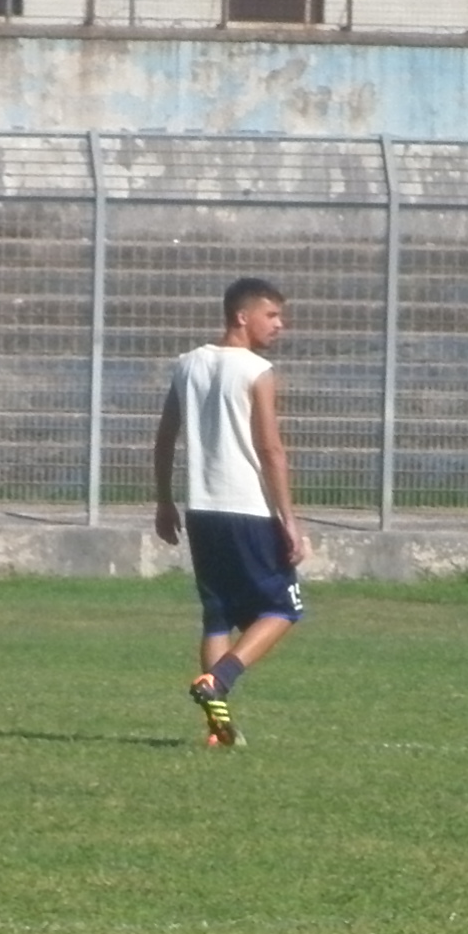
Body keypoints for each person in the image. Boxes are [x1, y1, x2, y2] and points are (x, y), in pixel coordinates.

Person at [150, 276, 306, 749]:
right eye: (272, 315)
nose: (280, 324)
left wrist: (163, 500)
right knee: (283, 607)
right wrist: (289, 519)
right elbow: (271, 449)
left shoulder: (187, 365)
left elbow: (164, 438)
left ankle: (217, 729)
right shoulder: (257, 370)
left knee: (217, 615)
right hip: (246, 509)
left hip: (202, 510)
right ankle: (220, 680)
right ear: (243, 316)